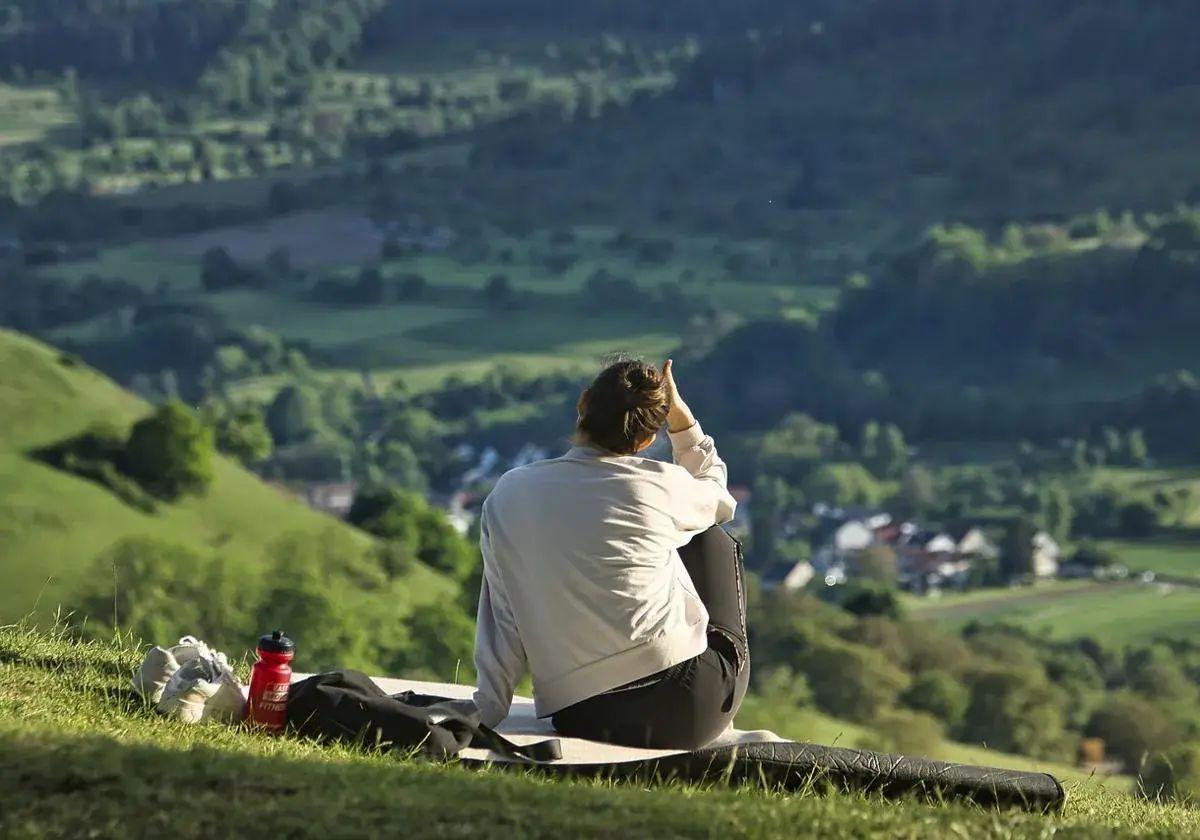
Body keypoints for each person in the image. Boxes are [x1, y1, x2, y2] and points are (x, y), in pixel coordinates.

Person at [472, 356, 749, 749]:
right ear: (647, 439)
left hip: (581, 715)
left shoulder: (510, 493)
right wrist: (684, 425)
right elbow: (718, 496)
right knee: (708, 536)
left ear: (583, 403)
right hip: (685, 709)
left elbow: (503, 613)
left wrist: (489, 707)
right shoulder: (661, 486)